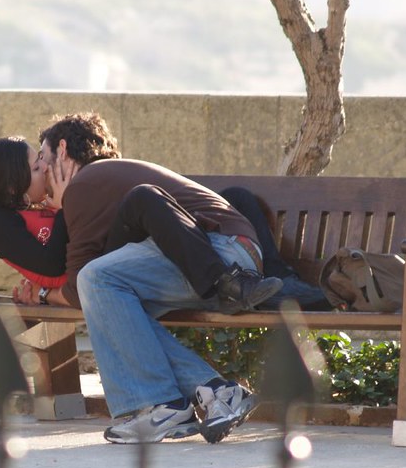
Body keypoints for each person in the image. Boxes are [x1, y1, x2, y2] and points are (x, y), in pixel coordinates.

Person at [29, 112, 276, 445]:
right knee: (114, 304)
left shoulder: (87, 182)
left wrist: (42, 294)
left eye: (42, 157)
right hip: (227, 258)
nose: (41, 170)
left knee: (96, 282)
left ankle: (162, 403)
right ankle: (217, 393)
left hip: (223, 255)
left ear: (62, 150)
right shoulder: (104, 181)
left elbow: (80, 285)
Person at [0, 136, 283, 314]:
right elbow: (52, 265)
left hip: (97, 265)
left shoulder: (36, 207)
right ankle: (228, 283)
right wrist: (66, 207)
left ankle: (261, 281)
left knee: (232, 197)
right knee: (143, 200)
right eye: (37, 167)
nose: (47, 171)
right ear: (13, 186)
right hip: (91, 275)